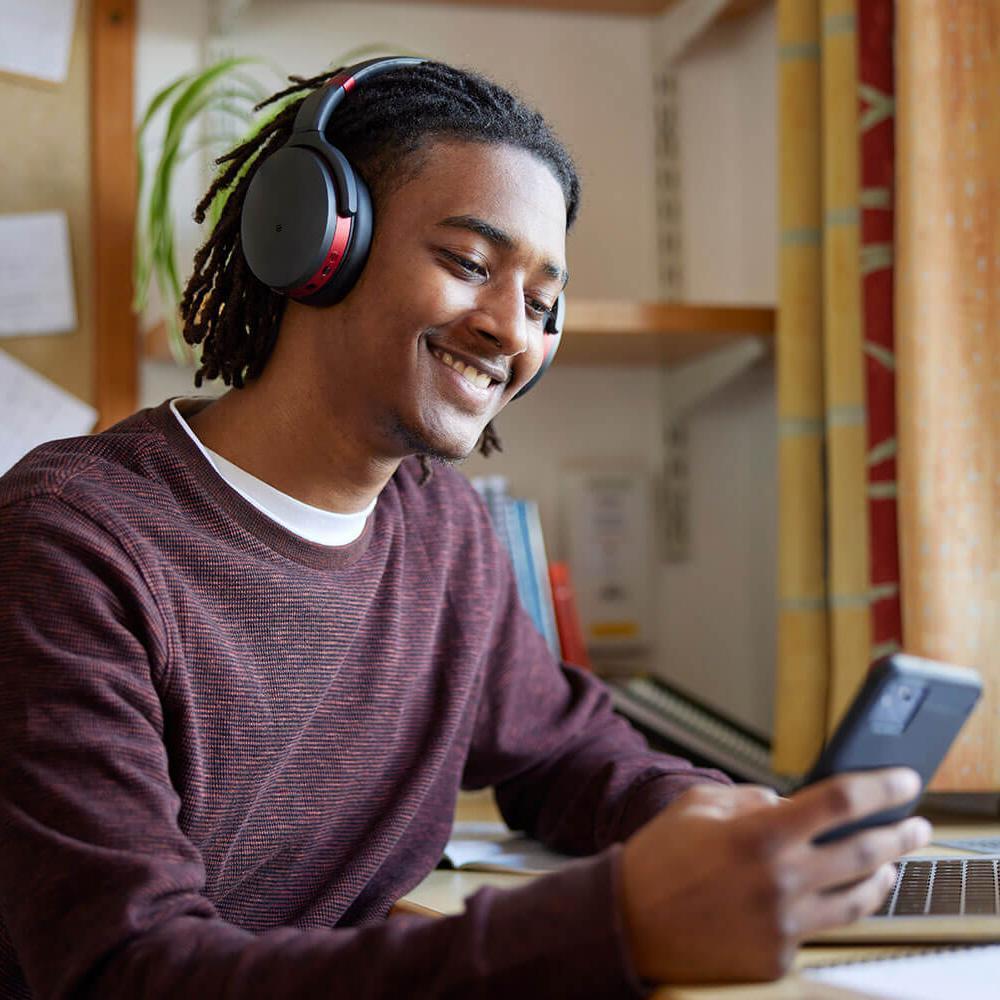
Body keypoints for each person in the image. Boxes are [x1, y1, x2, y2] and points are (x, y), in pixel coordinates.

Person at [0, 58, 929, 998]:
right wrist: (613, 926)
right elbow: (124, 973)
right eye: (469, 264)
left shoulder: (440, 527)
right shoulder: (74, 544)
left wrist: (709, 820)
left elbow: (562, 750)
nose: (511, 332)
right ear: (314, 243)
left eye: (540, 302)